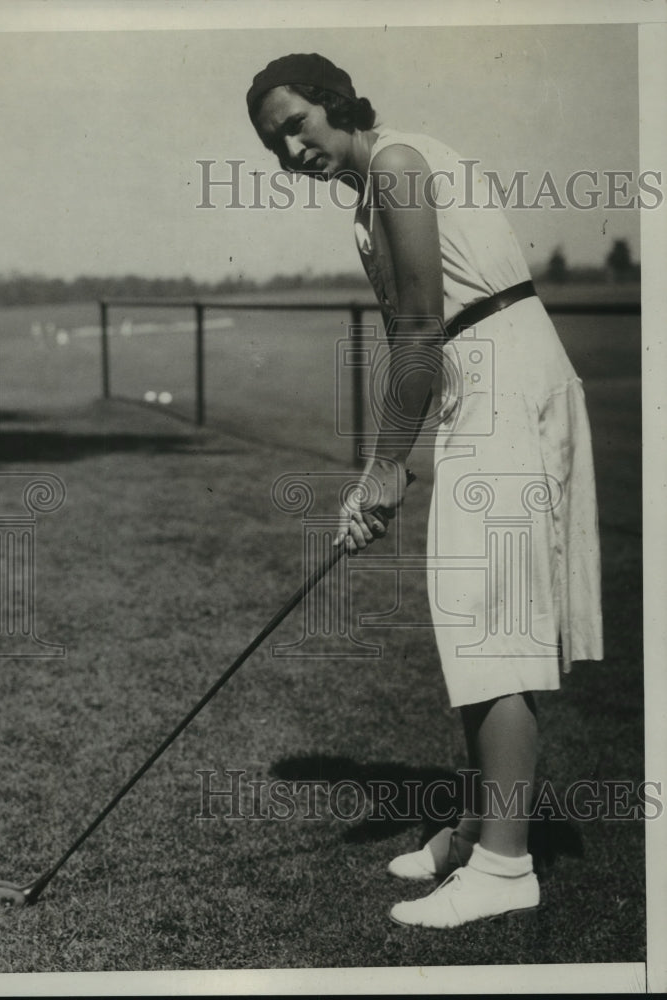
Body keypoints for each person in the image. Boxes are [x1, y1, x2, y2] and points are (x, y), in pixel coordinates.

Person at [246, 53, 603, 928]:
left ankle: (507, 866)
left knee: (491, 623)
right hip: (476, 388)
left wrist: (383, 465)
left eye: (296, 125)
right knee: (465, 611)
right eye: (273, 145)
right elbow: (425, 343)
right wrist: (394, 467)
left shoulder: (399, 166)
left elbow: (416, 330)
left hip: (507, 384)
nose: (291, 152)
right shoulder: (370, 195)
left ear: (337, 103)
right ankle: (483, 821)